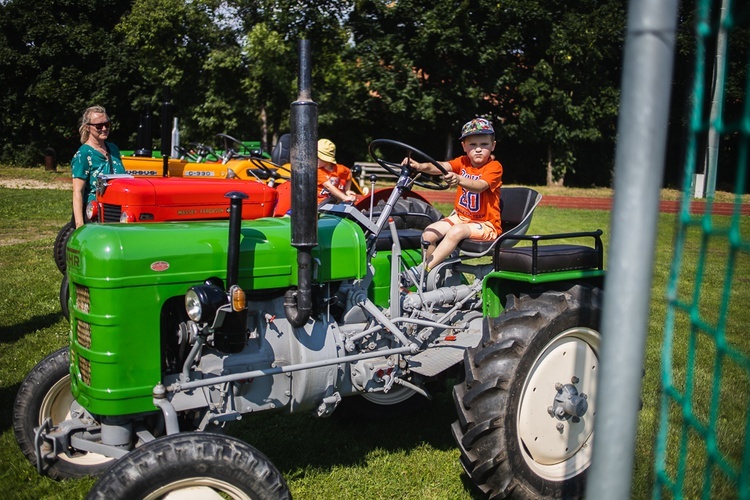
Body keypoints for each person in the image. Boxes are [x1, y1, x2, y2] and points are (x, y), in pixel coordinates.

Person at [401, 118, 503, 286]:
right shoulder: (462, 162)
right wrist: (420, 166)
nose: (478, 149)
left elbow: (479, 186)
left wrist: (459, 179)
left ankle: (422, 270)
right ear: (464, 146)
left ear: (493, 146)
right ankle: (431, 277)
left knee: (456, 231)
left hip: (486, 224)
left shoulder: (494, 167)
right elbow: (440, 166)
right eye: (472, 145)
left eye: (484, 144)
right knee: (428, 233)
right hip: (462, 217)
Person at [71, 105, 125, 228]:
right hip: (95, 214)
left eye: (107, 124)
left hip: (116, 212)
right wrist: (80, 225)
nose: (104, 128)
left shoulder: (113, 149)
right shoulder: (83, 154)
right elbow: (77, 191)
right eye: (99, 126)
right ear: (87, 128)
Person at [317, 138, 357, 204]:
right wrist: (344, 197)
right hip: (319, 205)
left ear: (327, 160)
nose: (314, 160)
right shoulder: (318, 171)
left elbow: (349, 173)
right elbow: (328, 186)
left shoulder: (340, 169)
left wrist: (347, 190)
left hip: (334, 203)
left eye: (318, 157)